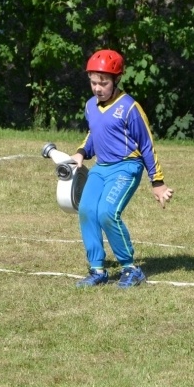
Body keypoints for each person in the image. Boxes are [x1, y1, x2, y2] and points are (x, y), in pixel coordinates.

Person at [69, 49, 174, 288]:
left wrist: (157, 182)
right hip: (101, 167)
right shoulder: (90, 106)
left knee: (107, 212)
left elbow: (147, 145)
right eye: (93, 82)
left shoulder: (129, 108)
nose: (97, 88)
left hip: (127, 168)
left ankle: (131, 268)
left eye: (103, 83)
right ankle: (97, 270)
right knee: (86, 210)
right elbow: (93, 134)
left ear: (116, 80)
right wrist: (81, 152)